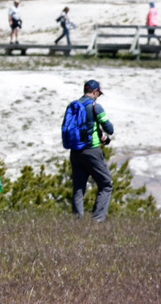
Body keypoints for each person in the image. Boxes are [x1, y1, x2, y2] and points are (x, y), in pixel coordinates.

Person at [67, 79, 114, 222]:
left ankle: (78, 220)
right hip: (92, 151)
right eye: (99, 93)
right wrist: (103, 136)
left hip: (75, 151)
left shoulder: (73, 106)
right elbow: (109, 129)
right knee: (106, 184)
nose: (98, 96)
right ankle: (97, 220)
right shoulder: (95, 107)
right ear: (94, 91)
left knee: (79, 188)